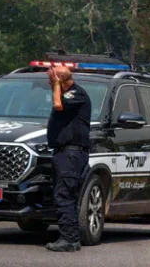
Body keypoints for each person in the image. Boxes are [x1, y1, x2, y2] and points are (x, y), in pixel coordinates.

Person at [45, 65, 91, 252]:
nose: (49, 84)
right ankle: (69, 237)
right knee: (62, 194)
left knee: (65, 195)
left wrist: (56, 83)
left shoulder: (76, 94)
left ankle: (69, 239)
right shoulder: (68, 94)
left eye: (52, 80)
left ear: (61, 81)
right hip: (63, 152)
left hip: (71, 154)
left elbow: (58, 104)